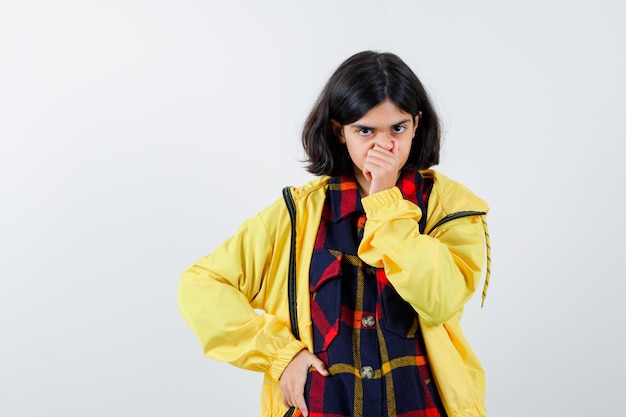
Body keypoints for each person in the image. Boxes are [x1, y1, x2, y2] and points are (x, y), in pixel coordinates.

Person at [178, 50, 491, 417]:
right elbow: (201, 284)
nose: (384, 146)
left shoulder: (450, 207)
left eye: (398, 128)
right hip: (325, 407)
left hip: (420, 406)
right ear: (338, 131)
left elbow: (439, 300)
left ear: (417, 123)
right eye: (365, 131)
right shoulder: (294, 216)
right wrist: (281, 354)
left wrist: (388, 204)